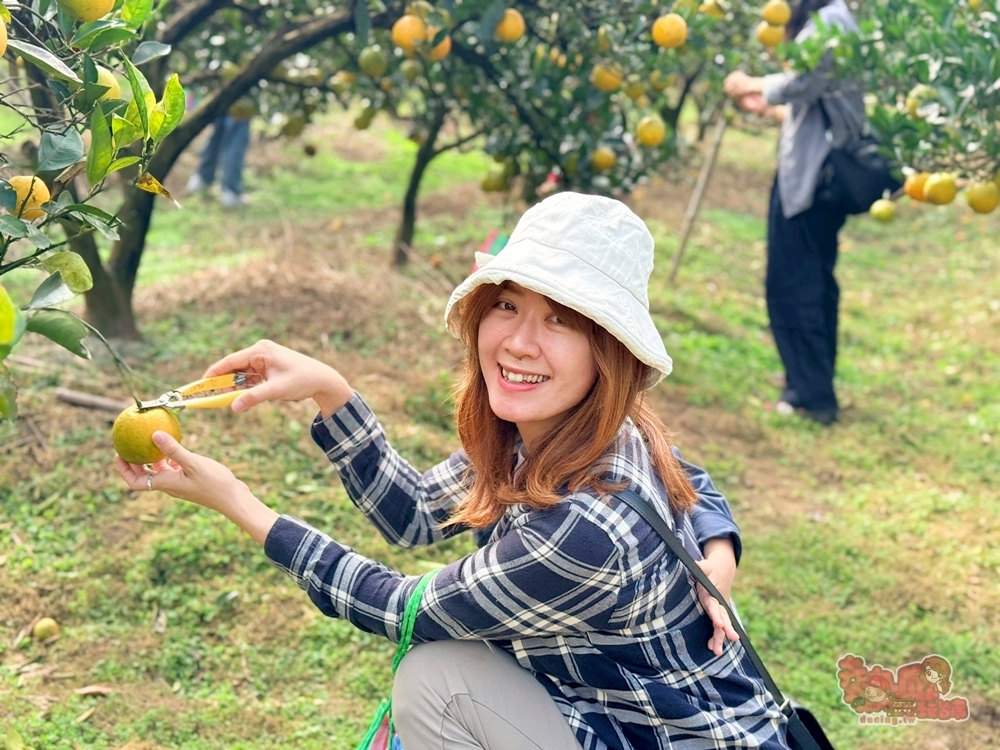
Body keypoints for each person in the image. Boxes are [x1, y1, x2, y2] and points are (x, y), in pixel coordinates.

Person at [116, 192, 790, 749]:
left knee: (437, 678)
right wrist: (330, 390)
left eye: (559, 320)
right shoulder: (563, 432)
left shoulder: (585, 529)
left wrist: (240, 504)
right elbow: (413, 513)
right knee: (452, 667)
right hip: (605, 711)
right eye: (507, 305)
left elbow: (402, 609)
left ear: (608, 352)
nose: (518, 341)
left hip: (663, 735)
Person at [723, 0, 861, 426]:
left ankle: (811, 396)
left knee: (794, 286)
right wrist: (771, 107)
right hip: (812, 180)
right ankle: (808, 380)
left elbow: (804, 81)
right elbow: (814, 99)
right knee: (812, 282)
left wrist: (753, 83)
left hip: (809, 185)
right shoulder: (832, 19)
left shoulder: (831, 19)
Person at [186, 98, 254, 209]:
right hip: (241, 98)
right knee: (235, 139)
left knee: (217, 134)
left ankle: (202, 179)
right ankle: (231, 191)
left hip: (223, 94)